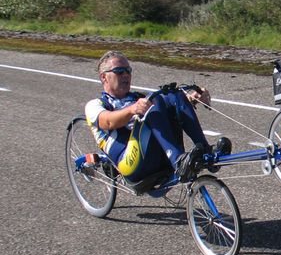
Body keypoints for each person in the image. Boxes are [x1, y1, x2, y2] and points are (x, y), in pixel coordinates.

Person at [85, 50, 226, 184]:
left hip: (155, 155)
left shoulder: (138, 98)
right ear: (104, 77)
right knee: (154, 99)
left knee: (173, 94)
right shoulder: (95, 105)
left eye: (128, 71)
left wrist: (190, 98)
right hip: (129, 163)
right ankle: (178, 162)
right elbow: (108, 121)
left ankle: (207, 153)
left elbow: (166, 106)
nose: (126, 75)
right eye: (120, 71)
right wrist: (132, 109)